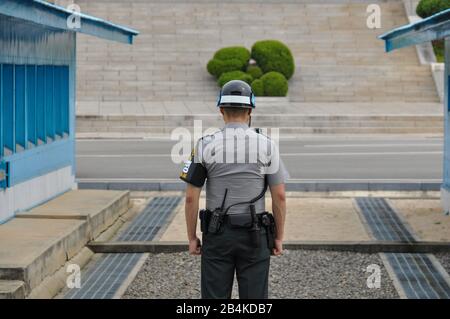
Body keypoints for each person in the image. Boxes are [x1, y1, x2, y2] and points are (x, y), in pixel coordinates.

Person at [180, 80, 289, 299]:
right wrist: (278, 236)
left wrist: (192, 237)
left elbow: (191, 198)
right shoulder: (267, 145)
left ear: (221, 110)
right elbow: (280, 195)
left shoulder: (204, 144)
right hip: (255, 234)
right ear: (250, 110)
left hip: (217, 233)